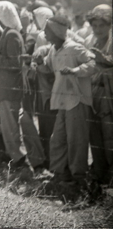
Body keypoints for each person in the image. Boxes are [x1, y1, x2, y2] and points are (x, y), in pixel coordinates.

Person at [35, 16, 95, 188]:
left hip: (76, 100)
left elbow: (93, 62)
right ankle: (61, 173)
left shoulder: (74, 48)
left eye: (47, 30)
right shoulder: (55, 50)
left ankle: (78, 178)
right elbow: (48, 67)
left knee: (76, 140)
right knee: (58, 139)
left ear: (55, 31)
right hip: (62, 101)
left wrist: (76, 70)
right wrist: (39, 63)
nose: (44, 33)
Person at [0, 1, 45, 171]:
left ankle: (20, 161)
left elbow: (14, 63)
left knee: (10, 128)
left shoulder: (11, 35)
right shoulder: (8, 33)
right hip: (8, 88)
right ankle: (36, 159)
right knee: (20, 123)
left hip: (9, 89)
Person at [84, 5, 113, 185]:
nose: (97, 29)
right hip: (93, 93)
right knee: (94, 135)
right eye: (94, 25)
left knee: (109, 135)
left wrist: (105, 61)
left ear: (109, 25)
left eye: (101, 25)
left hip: (109, 95)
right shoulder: (90, 41)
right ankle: (99, 172)